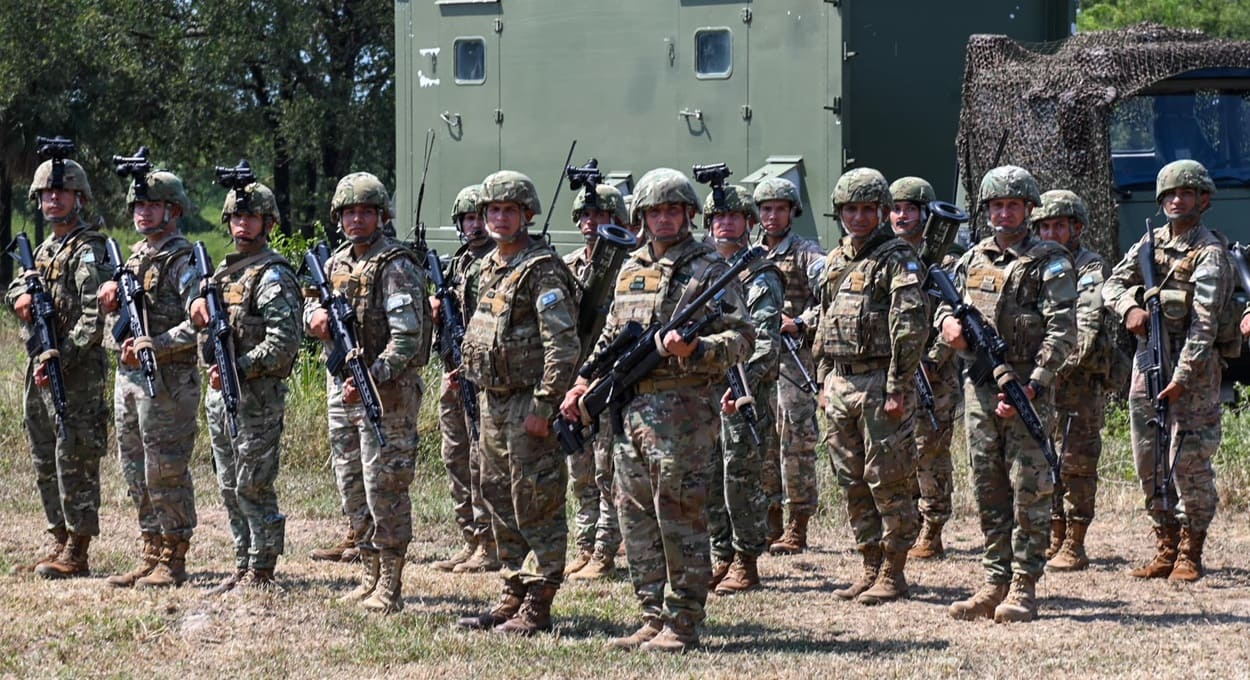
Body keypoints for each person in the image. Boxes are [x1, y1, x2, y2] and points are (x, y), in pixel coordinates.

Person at [561, 168, 753, 652]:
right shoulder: (631, 266)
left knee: (681, 515)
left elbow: (742, 339)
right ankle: (651, 613)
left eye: (672, 210)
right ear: (641, 217)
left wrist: (695, 349)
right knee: (635, 514)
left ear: (689, 213)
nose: (663, 219)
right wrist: (583, 380)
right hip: (629, 411)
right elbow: (611, 334)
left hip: (684, 412)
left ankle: (684, 620)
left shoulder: (711, 268)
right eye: (654, 211)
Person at [940, 165, 1076, 623]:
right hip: (979, 388)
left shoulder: (1050, 260)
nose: (1003, 213)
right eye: (996, 205)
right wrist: (947, 328)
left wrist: (1034, 383)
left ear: (1028, 210)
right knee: (989, 488)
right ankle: (994, 580)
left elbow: (1062, 330)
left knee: (1029, 489)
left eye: (1012, 205)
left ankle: (1024, 585)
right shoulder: (971, 258)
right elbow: (947, 304)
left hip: (1026, 388)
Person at [455, 170, 581, 635]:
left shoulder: (542, 269)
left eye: (510, 210)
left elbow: (562, 346)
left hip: (529, 401)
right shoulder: (487, 266)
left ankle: (540, 601)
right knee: (496, 493)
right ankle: (513, 587)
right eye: (493, 210)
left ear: (527, 214)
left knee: (537, 498)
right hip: (493, 400)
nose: (500, 218)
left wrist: (545, 406)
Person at [1103, 159, 1235, 583]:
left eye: (1186, 193)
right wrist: (1130, 308)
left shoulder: (1210, 253)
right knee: (1149, 458)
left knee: (1189, 461)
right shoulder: (1148, 244)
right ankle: (1164, 543)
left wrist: (1181, 377)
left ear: (1203, 199)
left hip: (1192, 371)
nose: (1177, 200)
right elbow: (1112, 285)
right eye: (1170, 195)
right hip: (1148, 362)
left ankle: (1190, 550)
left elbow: (1205, 324)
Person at [306, 172, 432, 612]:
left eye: (365, 211)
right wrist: (314, 319)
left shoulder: (396, 264)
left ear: (381, 216)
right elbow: (310, 301)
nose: (356, 219)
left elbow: (407, 340)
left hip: (386, 394)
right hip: (344, 389)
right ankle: (368, 570)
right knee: (351, 482)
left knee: (386, 486)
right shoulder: (336, 262)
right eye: (349, 212)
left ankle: (390, 584)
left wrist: (372, 376)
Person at [813, 168, 928, 606]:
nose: (858, 217)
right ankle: (869, 563)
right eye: (850, 209)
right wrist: (823, 378)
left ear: (881, 211)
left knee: (888, 477)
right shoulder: (835, 259)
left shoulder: (898, 257)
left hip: (881, 382)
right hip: (840, 381)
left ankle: (894, 571)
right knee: (850, 478)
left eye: (866, 209)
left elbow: (910, 326)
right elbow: (823, 322)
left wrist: (899, 385)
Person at [194, 178, 303, 593]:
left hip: (257, 400)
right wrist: (197, 309)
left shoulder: (272, 276)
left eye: (251, 217)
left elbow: (283, 345)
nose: (242, 224)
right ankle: (242, 564)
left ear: (268, 223)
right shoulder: (222, 274)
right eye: (236, 217)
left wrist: (236, 367)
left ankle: (262, 569)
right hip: (223, 397)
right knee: (227, 483)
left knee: (253, 483)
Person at [6, 155, 110, 579]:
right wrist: (19, 298)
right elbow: (18, 282)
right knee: (44, 455)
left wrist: (62, 355)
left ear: (79, 198)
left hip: (77, 372)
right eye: (47, 192)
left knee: (75, 455)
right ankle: (58, 538)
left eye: (61, 192)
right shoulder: (44, 249)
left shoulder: (90, 248)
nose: (53, 198)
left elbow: (93, 316)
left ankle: (78, 550)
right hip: (41, 370)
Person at [99, 170, 201, 588]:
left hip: (169, 383)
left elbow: (198, 324)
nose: (143, 212)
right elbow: (116, 326)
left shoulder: (183, 260)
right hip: (129, 379)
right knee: (134, 468)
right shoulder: (134, 258)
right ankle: (150, 549)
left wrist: (154, 343)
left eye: (153, 205)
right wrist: (111, 311)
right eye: (139, 206)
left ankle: (173, 557)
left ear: (172, 211)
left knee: (166, 469)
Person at [703, 185, 783, 596]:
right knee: (710, 476)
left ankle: (746, 560)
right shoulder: (702, 272)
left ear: (749, 224)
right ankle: (722, 554)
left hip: (741, 391)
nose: (726, 224)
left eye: (734, 217)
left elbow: (767, 339)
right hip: (703, 391)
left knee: (741, 477)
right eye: (719, 218)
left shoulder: (760, 274)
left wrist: (743, 386)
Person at [1032, 190, 1116, 572]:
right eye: (1044, 226)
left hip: (1076, 380)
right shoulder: (1033, 263)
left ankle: (1075, 540)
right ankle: (1054, 532)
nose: (1050, 233)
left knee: (1076, 459)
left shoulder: (1089, 266)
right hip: (1041, 378)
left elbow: (1086, 323)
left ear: (1076, 228)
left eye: (1059, 226)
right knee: (1045, 457)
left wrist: (1053, 367)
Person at [888, 176, 962, 560]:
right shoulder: (885, 255)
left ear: (926, 213)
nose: (901, 216)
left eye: (910, 209)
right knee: (898, 450)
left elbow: (955, 314)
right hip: (897, 372)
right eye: (896, 208)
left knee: (930, 449)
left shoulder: (947, 260)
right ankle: (906, 525)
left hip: (935, 373)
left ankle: (932, 527)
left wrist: (932, 358)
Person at [562, 183, 631, 581]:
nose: (591, 222)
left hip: (608, 378)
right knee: (580, 469)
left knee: (607, 469)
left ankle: (605, 551)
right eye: (585, 216)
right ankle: (586, 546)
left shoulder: (628, 266)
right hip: (576, 378)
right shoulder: (569, 265)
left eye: (600, 215)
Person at [430, 184, 501, 574]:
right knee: (455, 453)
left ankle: (489, 542)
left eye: (479, 218)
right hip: (452, 369)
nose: (475, 226)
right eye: (468, 219)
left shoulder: (496, 262)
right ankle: (470, 537)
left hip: (479, 372)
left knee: (480, 457)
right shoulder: (457, 264)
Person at [752, 177, 824, 555]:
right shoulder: (751, 257)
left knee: (795, 441)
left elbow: (830, 291)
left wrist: (800, 322)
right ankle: (770, 518)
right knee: (762, 440)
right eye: (766, 209)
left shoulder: (804, 252)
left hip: (794, 360)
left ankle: (797, 524)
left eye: (780, 208)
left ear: (792, 212)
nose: (772, 215)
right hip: (757, 360)